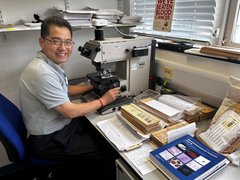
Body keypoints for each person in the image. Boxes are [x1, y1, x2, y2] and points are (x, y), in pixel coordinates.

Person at [19, 16, 120, 179]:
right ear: (42, 42)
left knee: (97, 130)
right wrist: (104, 100)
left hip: (56, 128)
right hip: (50, 140)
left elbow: (64, 89)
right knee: (108, 148)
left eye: (68, 42)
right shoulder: (42, 73)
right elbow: (70, 112)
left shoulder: (48, 64)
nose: (63, 48)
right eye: (56, 41)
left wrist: (92, 86)